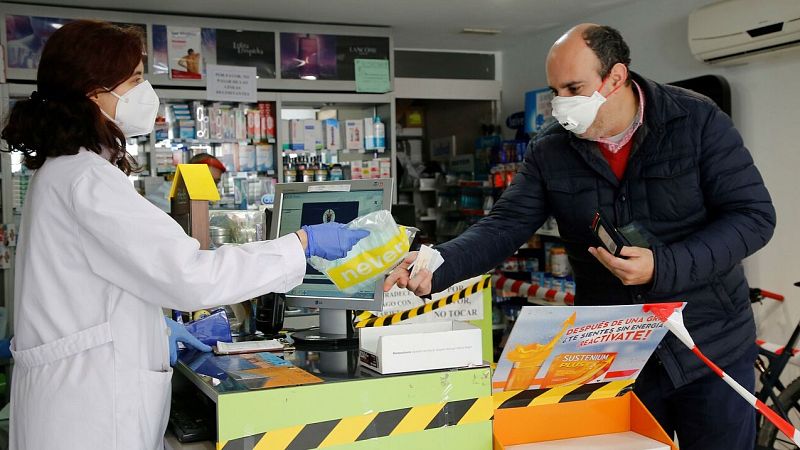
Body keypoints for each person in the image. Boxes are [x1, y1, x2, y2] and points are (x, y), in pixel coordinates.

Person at [385, 24, 775, 450]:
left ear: (616, 77)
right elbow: (506, 224)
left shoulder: (695, 120)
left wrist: (663, 266)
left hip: (709, 345)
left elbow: (753, 217)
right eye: (556, 91)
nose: (562, 105)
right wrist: (437, 263)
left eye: (574, 88)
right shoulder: (551, 149)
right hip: (618, 354)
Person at [1, 20, 368, 450]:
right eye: (135, 79)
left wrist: (155, 329)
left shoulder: (65, 172)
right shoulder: (87, 179)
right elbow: (190, 275)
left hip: (77, 396)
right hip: (89, 413)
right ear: (94, 93)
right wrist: (302, 244)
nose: (146, 91)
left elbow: (91, 289)